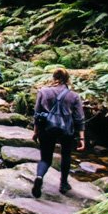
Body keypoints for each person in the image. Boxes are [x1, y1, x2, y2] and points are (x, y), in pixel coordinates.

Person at [32, 67, 86, 196]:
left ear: (54, 78)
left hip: (46, 128)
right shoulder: (73, 96)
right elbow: (80, 118)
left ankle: (39, 177)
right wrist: (82, 138)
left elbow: (37, 113)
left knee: (45, 158)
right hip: (66, 129)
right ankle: (63, 184)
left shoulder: (43, 92)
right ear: (67, 80)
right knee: (66, 155)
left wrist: (35, 131)